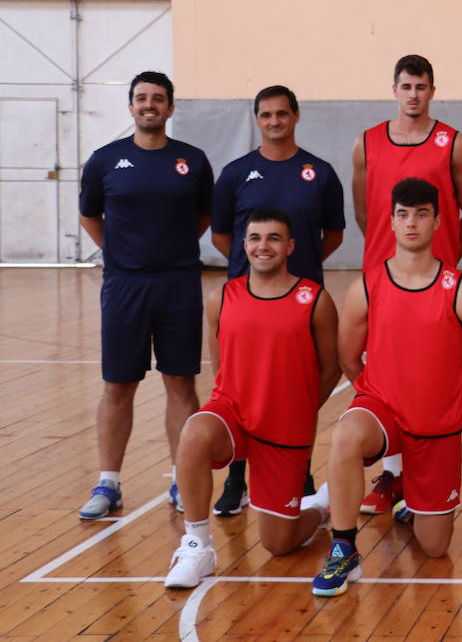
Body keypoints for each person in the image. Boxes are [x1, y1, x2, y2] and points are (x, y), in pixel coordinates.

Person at [312, 178, 462, 597]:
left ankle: (408, 500)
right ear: (391, 222)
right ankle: (343, 547)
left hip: (436, 427)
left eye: (421, 214)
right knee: (344, 434)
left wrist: (451, 408)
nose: (411, 222)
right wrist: (371, 396)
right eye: (403, 214)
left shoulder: (460, 290)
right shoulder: (368, 286)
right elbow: (348, 357)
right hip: (383, 410)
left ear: (436, 221)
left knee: (435, 548)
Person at [164, 209, 340, 589]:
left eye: (274, 238)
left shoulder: (314, 300)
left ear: (289, 246)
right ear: (244, 246)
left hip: (285, 427)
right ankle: (197, 546)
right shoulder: (222, 297)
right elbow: (220, 363)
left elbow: (331, 368)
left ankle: (321, 506)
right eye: (256, 238)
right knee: (194, 432)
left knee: (278, 544)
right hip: (234, 413)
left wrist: (302, 406)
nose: (264, 245)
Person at [349, 55, 462, 515]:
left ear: (432, 91)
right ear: (394, 89)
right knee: (384, 375)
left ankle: (419, 476)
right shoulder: (367, 143)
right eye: (406, 86)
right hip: (384, 284)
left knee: (430, 379)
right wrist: (390, 265)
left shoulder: (454, 143)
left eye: (421, 87)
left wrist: (445, 264)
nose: (413, 94)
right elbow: (365, 212)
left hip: (434, 289)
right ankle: (391, 475)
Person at [77, 71, 214, 519]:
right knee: (119, 385)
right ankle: (108, 483)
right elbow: (90, 216)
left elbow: (202, 218)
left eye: (158, 99)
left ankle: (182, 478)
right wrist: (122, 253)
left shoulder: (192, 161)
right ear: (132, 107)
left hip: (177, 284)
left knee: (180, 383)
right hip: (124, 285)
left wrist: (166, 252)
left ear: (171, 108)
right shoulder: (104, 161)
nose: (149, 105)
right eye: (141, 98)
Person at [209, 85, 346, 515]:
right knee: (239, 386)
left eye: (281, 114)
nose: (274, 122)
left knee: (298, 387)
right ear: (257, 119)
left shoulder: (319, 172)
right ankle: (236, 478)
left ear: (296, 116)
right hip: (246, 305)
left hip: (300, 307)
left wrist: (292, 274)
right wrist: (260, 270)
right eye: (266, 115)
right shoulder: (234, 173)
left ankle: (299, 472)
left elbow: (334, 234)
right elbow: (220, 235)